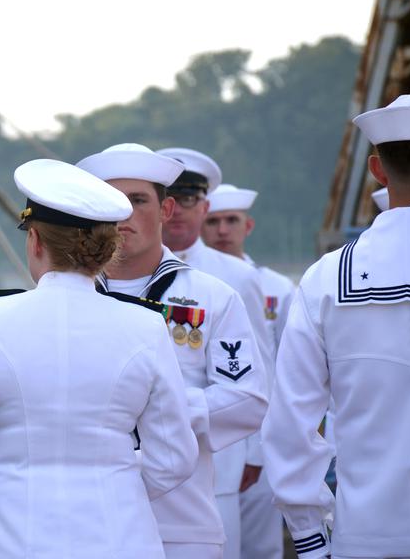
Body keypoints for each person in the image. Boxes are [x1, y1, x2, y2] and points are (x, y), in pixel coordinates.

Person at [0, 159, 199, 558]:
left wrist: (6, 480)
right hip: (118, 539)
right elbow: (174, 456)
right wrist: (113, 481)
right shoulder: (145, 326)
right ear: (107, 249)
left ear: (35, 241)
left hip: (7, 541)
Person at [262, 93, 410, 559]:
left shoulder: (325, 279)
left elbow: (291, 427)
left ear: (377, 170)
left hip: (368, 538)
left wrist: (312, 541)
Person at [77, 143, 268, 559]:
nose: (124, 214)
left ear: (165, 210)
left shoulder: (213, 297)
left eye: (138, 200)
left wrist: (158, 408)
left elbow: (248, 398)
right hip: (87, 517)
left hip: (180, 518)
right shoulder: (67, 297)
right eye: (112, 201)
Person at [155, 146, 275, 559]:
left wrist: (257, 451)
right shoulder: (116, 272)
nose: (180, 211)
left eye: (191, 199)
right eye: (173, 198)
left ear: (204, 205)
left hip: (219, 456)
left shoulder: (235, 277)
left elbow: (260, 366)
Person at [203, 183, 296, 559]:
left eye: (231, 221)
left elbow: (286, 367)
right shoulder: (188, 285)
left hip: (263, 434)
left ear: (249, 226)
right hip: (212, 436)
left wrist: (264, 444)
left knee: (262, 547)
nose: (222, 230)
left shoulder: (277, 287)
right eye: (213, 222)